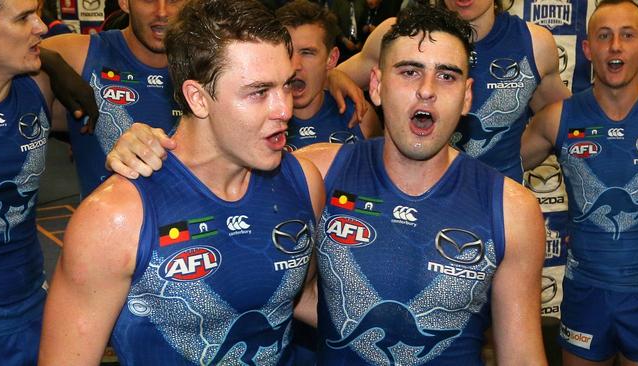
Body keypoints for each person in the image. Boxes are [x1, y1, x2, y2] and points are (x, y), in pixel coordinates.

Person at [107, 4, 548, 364]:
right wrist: (147, 144)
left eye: (447, 76)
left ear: (468, 96)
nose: (427, 91)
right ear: (376, 85)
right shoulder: (313, 173)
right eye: (409, 72)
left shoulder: (512, 208)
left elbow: (522, 355)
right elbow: (220, 163)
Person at [38, 0, 325, 364]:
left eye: (285, 86)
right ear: (197, 98)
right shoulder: (116, 218)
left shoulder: (303, 181)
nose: (285, 108)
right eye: (258, 92)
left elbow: (302, 297)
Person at [520, 1, 638, 365]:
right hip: (585, 295)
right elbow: (495, 175)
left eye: (628, 35)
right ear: (588, 49)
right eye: (604, 36)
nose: (615, 46)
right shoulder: (557, 118)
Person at [334, 0, 571, 182]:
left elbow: (565, 121)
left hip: (496, 210)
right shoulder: (398, 36)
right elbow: (326, 82)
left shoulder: (533, 43)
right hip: (409, 204)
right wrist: (335, 78)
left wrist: (513, 159)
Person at [39, 0, 187, 199]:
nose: (161, 12)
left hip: (193, 224)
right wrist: (47, 58)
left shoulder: (210, 63)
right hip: (107, 224)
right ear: (125, 3)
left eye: (174, 0)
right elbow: (5, 52)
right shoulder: (79, 55)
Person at [0, 0, 56, 364]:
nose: (41, 26)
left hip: (32, 306)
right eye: (23, 18)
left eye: (38, 12)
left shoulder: (39, 86)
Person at [276, 0, 382, 152]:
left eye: (307, 53)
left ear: (331, 59)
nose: (295, 65)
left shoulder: (359, 117)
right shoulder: (256, 121)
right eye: (287, 52)